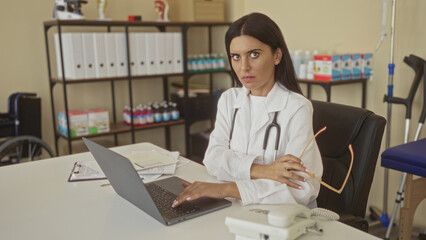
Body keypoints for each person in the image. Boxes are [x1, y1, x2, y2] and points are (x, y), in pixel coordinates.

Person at [173, 13, 323, 208]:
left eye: (254, 54)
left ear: (277, 55)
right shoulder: (229, 100)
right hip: (235, 206)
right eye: (236, 57)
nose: (244, 67)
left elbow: (302, 187)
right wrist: (263, 170)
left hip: (279, 214)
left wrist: (226, 188)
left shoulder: (297, 108)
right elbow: (213, 158)